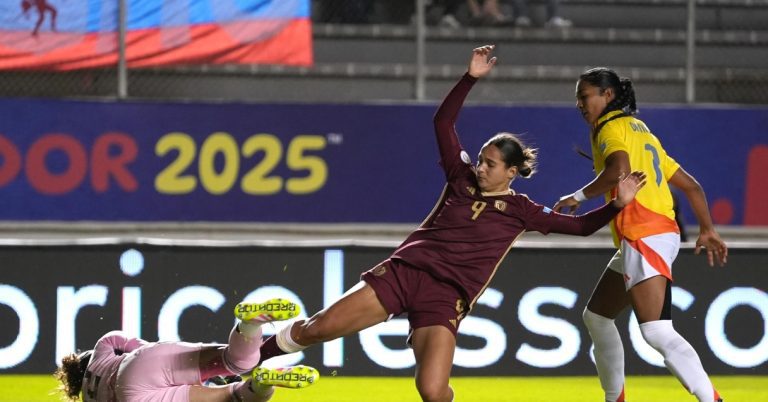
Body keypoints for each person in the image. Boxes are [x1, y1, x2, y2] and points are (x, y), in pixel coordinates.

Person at [255, 45, 646, 402]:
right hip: (403, 273)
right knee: (317, 328)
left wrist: (617, 206)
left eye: (490, 164)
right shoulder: (460, 178)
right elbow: (443, 122)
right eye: (480, 159)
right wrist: (470, 78)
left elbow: (579, 228)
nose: (480, 167)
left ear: (511, 171)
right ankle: (238, 362)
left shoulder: (522, 210)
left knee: (431, 389)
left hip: (446, 298)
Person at [553, 67, 728, 402]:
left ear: (607, 95)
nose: (579, 103)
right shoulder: (641, 130)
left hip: (644, 233)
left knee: (656, 330)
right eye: (577, 97)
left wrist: (577, 197)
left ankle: (712, 399)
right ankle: (614, 397)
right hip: (655, 232)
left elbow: (617, 171)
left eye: (584, 95)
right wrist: (707, 228)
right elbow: (691, 186)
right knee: (598, 316)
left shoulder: (610, 127)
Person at [54, 298, 319, 402]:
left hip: (135, 398)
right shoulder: (104, 345)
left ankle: (261, 384)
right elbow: (142, 347)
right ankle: (250, 324)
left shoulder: (89, 399)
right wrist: (186, 368)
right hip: (141, 362)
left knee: (231, 397)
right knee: (232, 361)